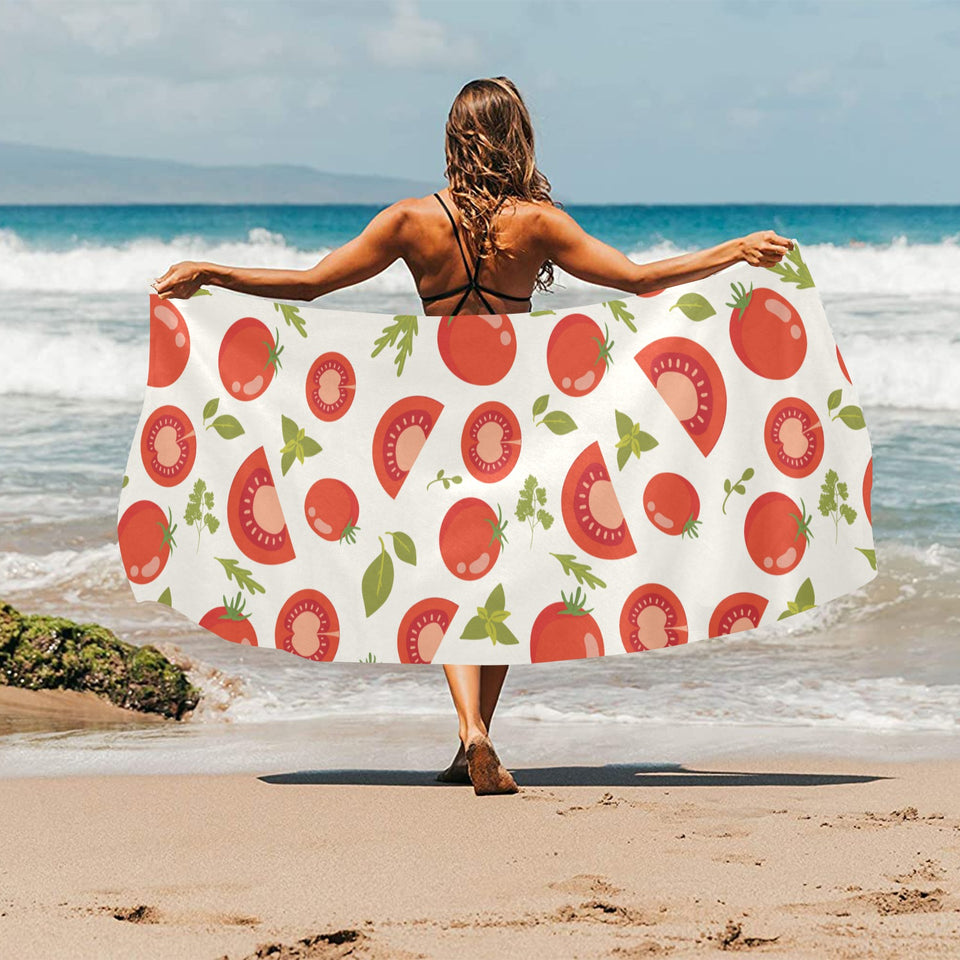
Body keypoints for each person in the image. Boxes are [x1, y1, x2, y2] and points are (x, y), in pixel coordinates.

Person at [153, 76, 793, 796]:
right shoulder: (538, 223)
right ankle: (476, 735)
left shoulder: (407, 221)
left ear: (455, 137)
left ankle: (471, 736)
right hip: (517, 420)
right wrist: (733, 250)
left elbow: (310, 286)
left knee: (450, 577)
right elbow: (639, 282)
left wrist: (213, 272)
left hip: (432, 418)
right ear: (516, 137)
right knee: (498, 583)